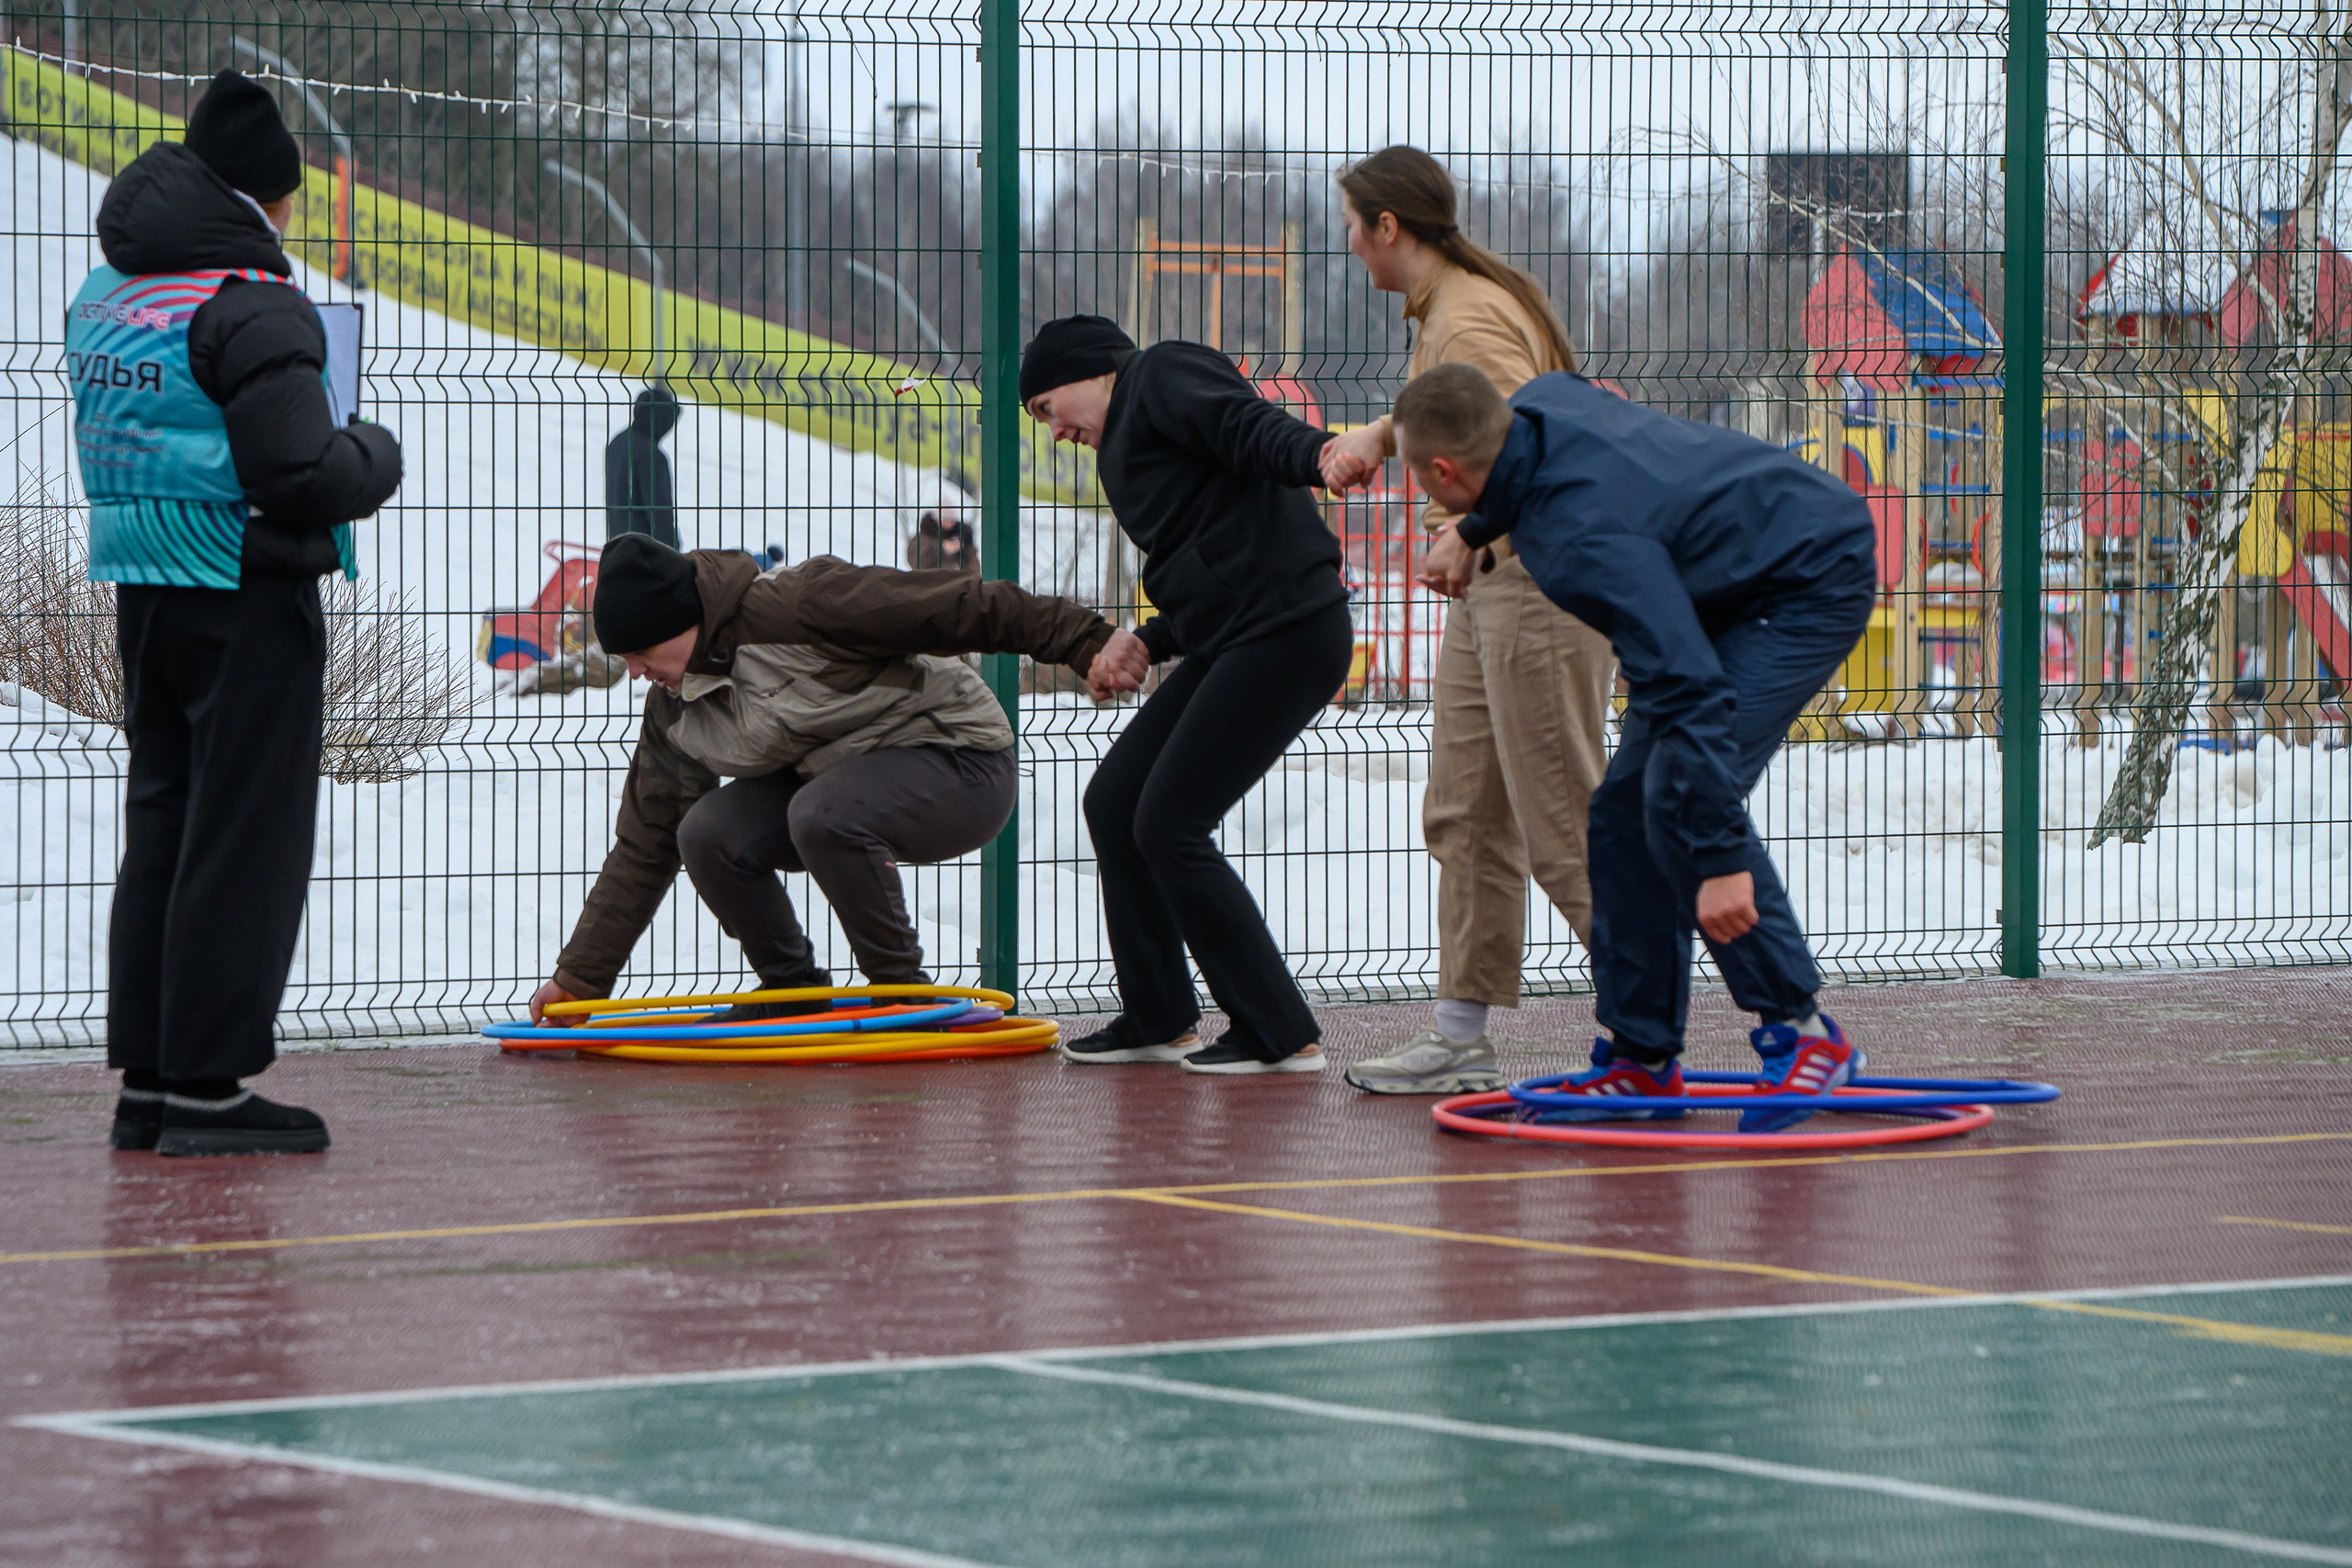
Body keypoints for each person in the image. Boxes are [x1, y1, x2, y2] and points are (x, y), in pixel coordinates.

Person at [1389, 363, 1876, 1131]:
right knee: (1619, 813)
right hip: (1720, 577)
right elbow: (1554, 418)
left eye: (1425, 486)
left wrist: (1718, 864)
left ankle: (1805, 1033)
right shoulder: (1534, 406)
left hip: (1807, 575)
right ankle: (1641, 1057)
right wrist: (1475, 530)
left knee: (1678, 799)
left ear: (1444, 472)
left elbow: (1690, 688)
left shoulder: (1578, 536)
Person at [70, 70, 403, 1156]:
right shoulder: (253, 302)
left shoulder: (114, 290)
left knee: (163, 824)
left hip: (145, 587)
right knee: (244, 837)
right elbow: (303, 471)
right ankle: (213, 1088)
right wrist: (376, 455)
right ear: (267, 198)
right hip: (244, 587)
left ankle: (154, 1083)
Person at [527, 535, 1146, 1025]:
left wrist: (1084, 641)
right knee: (705, 831)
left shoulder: (798, 607)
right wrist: (580, 981)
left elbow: (958, 606)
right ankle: (792, 988)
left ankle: (903, 994)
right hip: (839, 785)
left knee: (821, 812)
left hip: (962, 762)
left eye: (639, 654)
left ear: (678, 623)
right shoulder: (678, 705)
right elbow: (646, 843)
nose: (635, 673)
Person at [1315, 146, 1618, 1096]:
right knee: (1468, 810)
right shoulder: (1450, 310)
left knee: (1562, 817)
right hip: (1492, 584)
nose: (1351, 247)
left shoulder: (1472, 316)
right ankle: (1459, 1034)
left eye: (1354, 227)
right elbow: (1460, 416)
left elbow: (1531, 443)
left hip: (1534, 584)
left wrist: (1472, 531)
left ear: (1388, 228)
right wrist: (1379, 432)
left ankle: (1643, 1030)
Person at [1022, 315, 1351, 1075]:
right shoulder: (1127, 446)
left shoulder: (1158, 374)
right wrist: (1148, 639)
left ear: (1089, 370)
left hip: (1290, 630)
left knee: (1170, 819)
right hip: (1237, 633)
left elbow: (1247, 428)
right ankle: (1159, 1015)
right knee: (1115, 801)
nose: (1052, 431)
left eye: (1046, 408)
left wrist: (1320, 454)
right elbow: (1211, 569)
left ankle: (1277, 1029)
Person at [605, 384, 682, 547]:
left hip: (618, 545)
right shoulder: (651, 455)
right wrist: (673, 554)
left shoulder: (618, 442)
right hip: (647, 553)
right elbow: (660, 513)